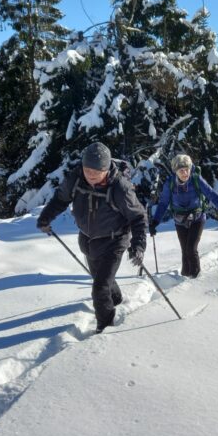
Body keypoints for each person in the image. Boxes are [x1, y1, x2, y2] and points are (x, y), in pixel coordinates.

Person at [37, 142, 147, 334]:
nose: (91, 175)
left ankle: (104, 327)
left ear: (106, 169)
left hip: (114, 240)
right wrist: (46, 216)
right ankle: (117, 299)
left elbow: (138, 217)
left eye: (96, 172)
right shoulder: (77, 178)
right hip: (88, 239)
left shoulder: (119, 188)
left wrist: (138, 245)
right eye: (88, 170)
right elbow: (61, 199)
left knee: (99, 288)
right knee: (101, 279)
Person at [149, 154, 218, 279]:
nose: (185, 173)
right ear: (176, 171)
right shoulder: (170, 184)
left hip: (197, 218)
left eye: (187, 169)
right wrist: (155, 221)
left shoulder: (196, 179)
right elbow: (163, 203)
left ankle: (195, 279)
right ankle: (184, 277)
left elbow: (210, 193)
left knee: (191, 249)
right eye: (181, 170)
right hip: (180, 221)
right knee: (185, 251)